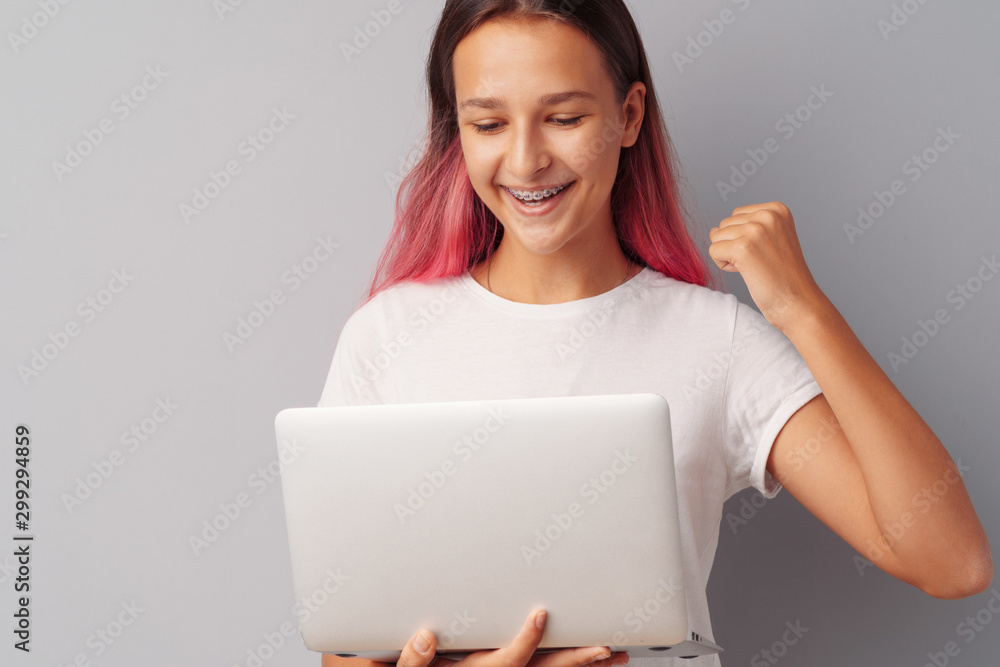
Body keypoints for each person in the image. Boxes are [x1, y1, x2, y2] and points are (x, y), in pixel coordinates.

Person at [317, 1, 992, 666]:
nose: (524, 161)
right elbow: (345, 646)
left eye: (564, 118)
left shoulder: (717, 342)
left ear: (630, 115)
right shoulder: (386, 337)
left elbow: (952, 560)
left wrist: (802, 307)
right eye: (489, 123)